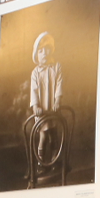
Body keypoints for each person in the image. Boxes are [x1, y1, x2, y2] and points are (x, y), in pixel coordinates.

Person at [29, 31, 63, 170]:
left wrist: (57, 101)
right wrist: (36, 106)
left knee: (53, 136)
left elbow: (59, 85)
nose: (45, 53)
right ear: (37, 55)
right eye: (41, 51)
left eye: (47, 50)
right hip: (42, 111)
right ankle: (41, 163)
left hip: (52, 109)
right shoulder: (35, 73)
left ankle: (55, 162)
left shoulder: (56, 67)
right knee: (43, 137)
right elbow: (34, 91)